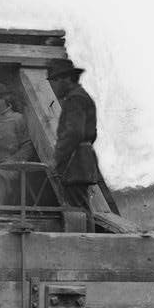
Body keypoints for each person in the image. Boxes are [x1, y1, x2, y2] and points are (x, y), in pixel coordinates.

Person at [46, 58, 99, 213]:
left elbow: (73, 133)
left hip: (75, 163)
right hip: (81, 160)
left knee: (79, 211)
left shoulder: (75, 99)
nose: (53, 85)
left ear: (67, 79)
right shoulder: (81, 96)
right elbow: (92, 133)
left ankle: (86, 238)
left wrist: (57, 159)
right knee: (81, 207)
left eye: (55, 80)